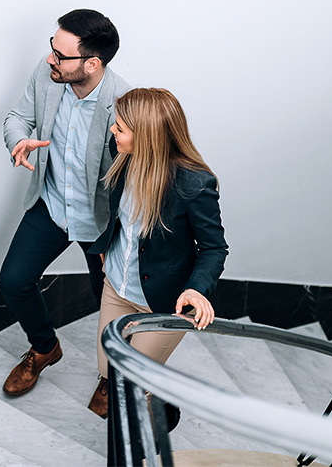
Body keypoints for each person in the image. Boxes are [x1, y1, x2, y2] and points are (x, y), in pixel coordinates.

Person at [0, 9, 131, 397]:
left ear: (92, 63)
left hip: (103, 223)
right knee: (13, 281)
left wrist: (115, 240)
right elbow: (17, 116)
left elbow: (134, 180)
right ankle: (44, 348)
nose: (49, 60)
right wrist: (17, 140)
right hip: (51, 205)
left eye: (60, 55)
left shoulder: (124, 103)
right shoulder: (48, 75)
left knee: (110, 308)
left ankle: (112, 377)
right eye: (52, 49)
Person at [86, 88, 229, 419]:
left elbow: (214, 247)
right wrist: (109, 246)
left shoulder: (193, 185)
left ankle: (159, 409)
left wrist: (196, 288)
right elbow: (121, 216)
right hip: (117, 288)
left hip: (162, 303)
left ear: (146, 137)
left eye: (120, 128)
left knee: (132, 382)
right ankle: (133, 389)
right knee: (107, 368)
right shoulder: (123, 153)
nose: (113, 132)